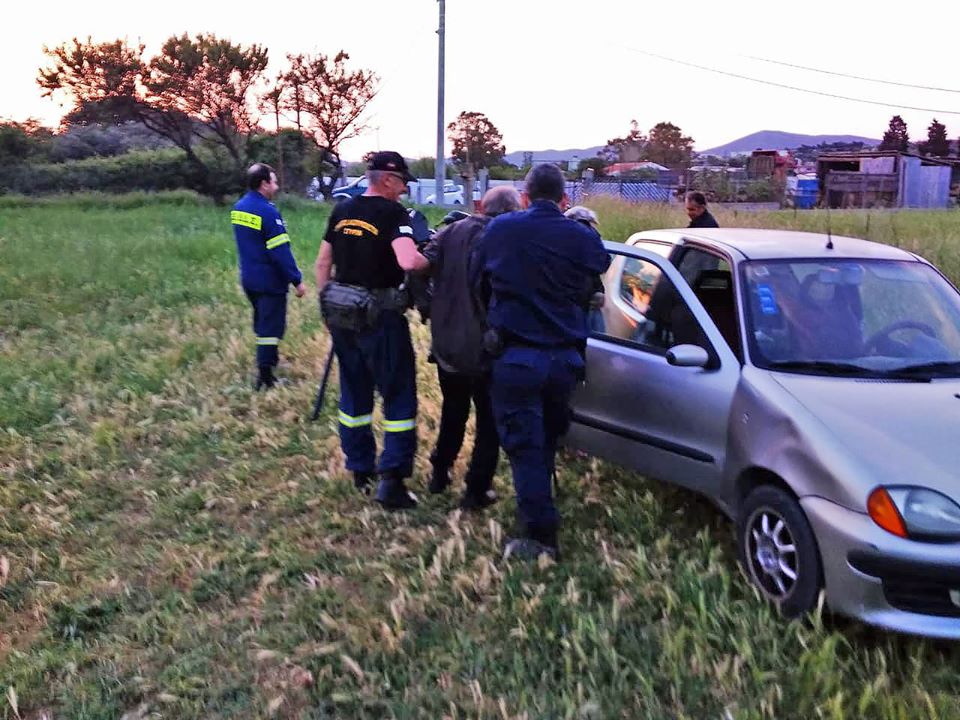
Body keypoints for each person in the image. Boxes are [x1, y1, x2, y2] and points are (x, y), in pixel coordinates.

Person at [474, 165, 610, 560]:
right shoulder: (581, 236)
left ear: (526, 196)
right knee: (548, 436)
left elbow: (477, 278)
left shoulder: (501, 230)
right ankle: (542, 502)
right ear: (565, 199)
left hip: (516, 358)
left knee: (525, 447)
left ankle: (540, 536)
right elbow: (599, 267)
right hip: (564, 359)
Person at [314, 151, 428, 510]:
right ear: (388, 180)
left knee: (354, 395)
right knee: (397, 395)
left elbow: (322, 262)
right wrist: (433, 258)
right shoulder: (393, 213)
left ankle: (360, 469)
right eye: (403, 183)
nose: (404, 190)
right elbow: (408, 260)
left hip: (342, 317)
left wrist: (326, 305)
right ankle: (392, 480)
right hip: (381, 320)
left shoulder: (342, 209)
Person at [420, 186, 523, 510]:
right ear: (511, 212)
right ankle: (476, 489)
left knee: (454, 410)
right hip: (485, 347)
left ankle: (440, 472)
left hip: (447, 342)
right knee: (489, 421)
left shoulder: (449, 231)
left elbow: (417, 267)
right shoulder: (503, 238)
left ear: (482, 206)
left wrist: (426, 307)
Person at [231, 163, 307, 390]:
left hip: (250, 278)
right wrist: (297, 279)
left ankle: (269, 364)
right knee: (269, 330)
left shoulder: (240, 207)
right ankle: (265, 378)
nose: (276, 185)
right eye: (273, 181)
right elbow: (280, 250)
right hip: (269, 282)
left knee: (262, 324)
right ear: (264, 184)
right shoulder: (268, 211)